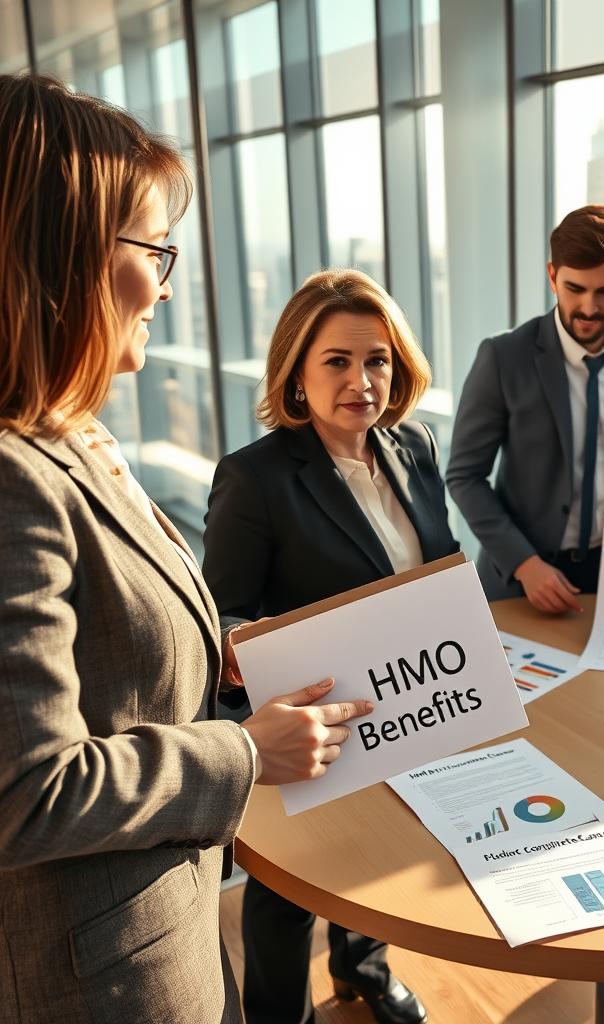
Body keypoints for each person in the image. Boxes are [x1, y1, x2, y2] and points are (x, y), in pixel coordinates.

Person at [0, 74, 370, 1024]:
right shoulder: (12, 477)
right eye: (153, 250)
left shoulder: (73, 434)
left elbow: (110, 660)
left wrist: (225, 650)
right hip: (96, 981)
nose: (167, 281)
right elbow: (27, 791)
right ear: (63, 252)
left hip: (161, 921)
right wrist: (245, 752)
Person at [203, 269, 452, 1024]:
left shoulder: (415, 445)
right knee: (288, 897)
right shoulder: (256, 477)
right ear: (298, 374)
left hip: (404, 706)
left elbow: (437, 568)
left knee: (373, 861)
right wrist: (240, 646)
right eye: (337, 361)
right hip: (311, 725)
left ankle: (361, 969)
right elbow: (221, 614)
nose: (361, 380)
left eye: (376, 360)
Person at [446, 204, 604, 612]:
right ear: (551, 276)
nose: (589, 308)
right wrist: (524, 564)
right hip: (523, 578)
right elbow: (464, 475)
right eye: (574, 288)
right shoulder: (503, 356)